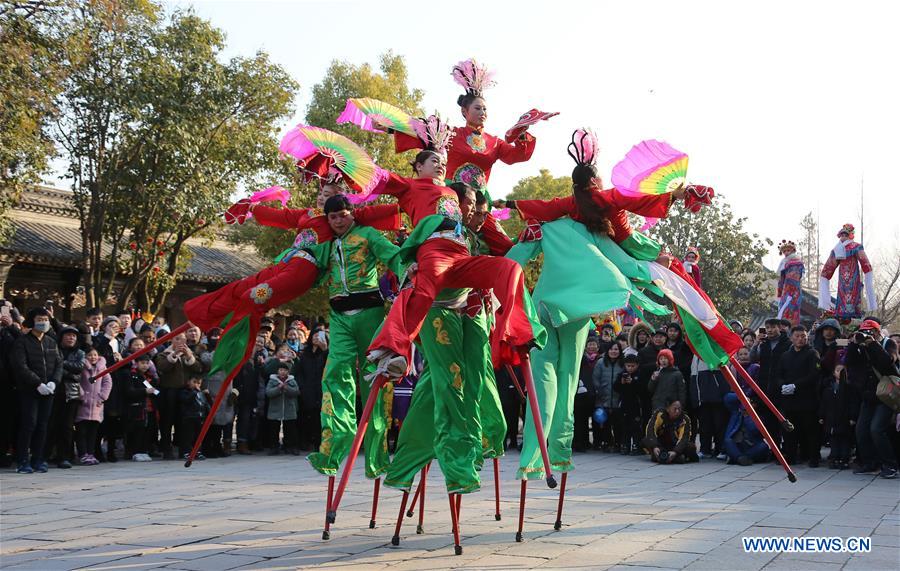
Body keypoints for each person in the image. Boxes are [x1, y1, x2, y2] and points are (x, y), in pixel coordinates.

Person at [306, 194, 400, 479]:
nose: (338, 221)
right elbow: (307, 269)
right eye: (332, 217)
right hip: (338, 317)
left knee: (374, 379)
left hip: (370, 314)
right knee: (335, 374)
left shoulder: (368, 235)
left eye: (342, 215)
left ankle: (377, 456)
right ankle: (332, 450)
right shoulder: (326, 245)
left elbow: (392, 256)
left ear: (352, 213)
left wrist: (410, 269)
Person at [11, 307, 62, 473]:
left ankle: (38, 458)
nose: (44, 323)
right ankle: (22, 460)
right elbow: (20, 366)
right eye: (40, 320)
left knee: (43, 425)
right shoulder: (22, 342)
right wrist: (37, 384)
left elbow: (59, 363)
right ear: (32, 321)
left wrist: (54, 382)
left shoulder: (51, 342)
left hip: (49, 390)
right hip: (29, 390)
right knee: (29, 424)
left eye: (46, 320)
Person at [845, 320, 898, 478]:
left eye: (871, 332)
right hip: (868, 395)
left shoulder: (888, 344)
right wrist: (854, 344)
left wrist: (873, 344)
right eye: (864, 331)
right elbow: (850, 363)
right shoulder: (860, 346)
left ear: (877, 332)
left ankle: (890, 465)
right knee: (861, 430)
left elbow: (888, 363)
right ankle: (870, 463)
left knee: (876, 429)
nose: (867, 335)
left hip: (886, 395)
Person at [774, 325, 822, 467]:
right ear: (791, 338)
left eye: (803, 336)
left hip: (807, 399)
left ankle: (813, 457)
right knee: (790, 431)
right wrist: (782, 385)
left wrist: (796, 385)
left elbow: (814, 374)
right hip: (789, 400)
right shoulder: (785, 355)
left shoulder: (813, 354)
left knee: (810, 430)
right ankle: (791, 456)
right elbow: (778, 374)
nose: (801, 339)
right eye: (797, 336)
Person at [154, 332, 202, 458]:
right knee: (167, 422)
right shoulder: (163, 354)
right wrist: (174, 355)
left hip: (185, 392)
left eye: (183, 339)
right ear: (171, 340)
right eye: (177, 339)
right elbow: (163, 367)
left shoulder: (189, 353)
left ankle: (183, 449)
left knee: (184, 422)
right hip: (168, 392)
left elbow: (198, 368)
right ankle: (166, 450)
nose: (181, 342)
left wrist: (189, 357)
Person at [819, 223, 877, 320]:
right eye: (841, 235)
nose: (843, 237)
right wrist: (824, 276)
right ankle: (842, 314)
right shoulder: (837, 249)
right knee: (842, 293)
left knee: (853, 293)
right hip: (842, 278)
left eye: (845, 235)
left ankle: (853, 314)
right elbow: (829, 267)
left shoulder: (856, 247)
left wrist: (868, 272)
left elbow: (864, 262)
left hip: (853, 276)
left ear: (850, 235)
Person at [53, 326, 85, 469]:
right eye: (68, 335)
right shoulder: (54, 349)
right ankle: (47, 454)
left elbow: (78, 368)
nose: (71, 338)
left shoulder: (80, 353)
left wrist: (60, 364)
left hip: (71, 393)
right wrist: (67, 371)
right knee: (51, 424)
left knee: (67, 426)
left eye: (73, 336)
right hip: (53, 390)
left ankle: (64, 456)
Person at [75, 347, 112, 466]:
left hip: (97, 405)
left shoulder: (103, 368)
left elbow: (108, 382)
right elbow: (76, 381)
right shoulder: (81, 367)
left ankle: (90, 453)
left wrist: (102, 397)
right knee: (81, 432)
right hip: (83, 404)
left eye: (95, 355)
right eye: (90, 355)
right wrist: (82, 396)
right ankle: (83, 454)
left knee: (93, 432)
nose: (93, 357)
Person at [757, 317, 790, 445]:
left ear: (779, 328)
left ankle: (786, 450)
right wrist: (756, 344)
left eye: (773, 327)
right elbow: (753, 357)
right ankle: (773, 449)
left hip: (781, 387)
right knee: (769, 421)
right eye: (768, 327)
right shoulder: (764, 344)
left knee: (782, 419)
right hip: (765, 386)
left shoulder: (787, 343)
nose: (770, 330)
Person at [818, 365, 859, 470]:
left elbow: (853, 404)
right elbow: (824, 404)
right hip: (831, 419)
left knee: (845, 441)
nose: (839, 373)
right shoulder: (828, 388)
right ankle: (835, 458)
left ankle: (844, 459)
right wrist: (821, 416)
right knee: (833, 441)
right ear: (833, 373)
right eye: (837, 370)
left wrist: (852, 417)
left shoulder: (850, 388)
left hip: (844, 419)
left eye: (842, 371)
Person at [293, 330, 327, 451]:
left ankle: (318, 443)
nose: (316, 338)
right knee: (304, 417)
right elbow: (298, 372)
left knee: (318, 418)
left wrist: (325, 350)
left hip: (320, 390)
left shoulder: (325, 354)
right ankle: (304, 442)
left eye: (320, 336)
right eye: (314, 335)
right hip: (306, 390)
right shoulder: (304, 354)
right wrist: (302, 387)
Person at [689, 356, 729, 459]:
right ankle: (705, 449)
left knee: (719, 424)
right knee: (704, 425)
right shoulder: (695, 354)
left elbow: (725, 362)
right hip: (701, 395)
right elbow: (694, 375)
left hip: (717, 394)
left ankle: (721, 449)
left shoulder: (715, 347)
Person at [122, 354, 157, 461]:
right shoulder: (131, 375)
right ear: (136, 363)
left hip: (148, 408)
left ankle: (143, 451)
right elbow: (129, 392)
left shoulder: (148, 376)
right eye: (142, 363)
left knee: (146, 430)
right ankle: (134, 452)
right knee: (135, 431)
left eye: (147, 363)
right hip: (135, 408)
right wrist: (144, 391)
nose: (145, 366)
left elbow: (154, 391)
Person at [642, 399, 697, 464]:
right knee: (645, 440)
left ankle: (660, 458)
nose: (677, 411)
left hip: (675, 445)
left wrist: (675, 452)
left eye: (679, 409)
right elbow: (650, 430)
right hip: (661, 445)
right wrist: (655, 446)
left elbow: (684, 438)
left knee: (691, 446)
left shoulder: (684, 419)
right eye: (675, 409)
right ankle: (673, 458)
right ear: (668, 409)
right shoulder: (659, 414)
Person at [591, 342, 623, 452]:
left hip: (618, 399)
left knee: (618, 423)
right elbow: (595, 379)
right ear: (607, 350)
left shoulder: (623, 363)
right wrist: (599, 391)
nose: (614, 351)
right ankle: (605, 442)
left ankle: (618, 443)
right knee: (604, 423)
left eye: (616, 349)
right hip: (602, 398)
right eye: (611, 349)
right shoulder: (600, 362)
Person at [722, 393, 769, 466]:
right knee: (728, 441)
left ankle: (738, 458)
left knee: (763, 446)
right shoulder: (736, 412)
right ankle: (740, 458)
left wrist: (747, 416)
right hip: (737, 443)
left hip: (750, 445)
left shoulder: (758, 416)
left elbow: (754, 430)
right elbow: (727, 398)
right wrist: (741, 396)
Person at [265, 363, 300, 455]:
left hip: (289, 410)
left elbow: (296, 391)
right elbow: (268, 392)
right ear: (277, 371)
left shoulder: (292, 380)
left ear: (288, 372)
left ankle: (290, 446)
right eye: (280, 370)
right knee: (274, 429)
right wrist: (278, 388)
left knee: (290, 429)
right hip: (275, 410)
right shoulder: (272, 380)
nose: (282, 372)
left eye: (284, 370)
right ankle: (273, 447)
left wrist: (287, 388)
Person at [574, 337, 601, 452]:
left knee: (596, 420)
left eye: (594, 344)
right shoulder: (581, 359)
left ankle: (597, 442)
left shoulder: (601, 359)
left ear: (598, 347)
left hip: (596, 395)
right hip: (581, 394)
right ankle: (581, 442)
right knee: (581, 420)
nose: (591, 347)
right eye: (589, 344)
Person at [613, 354, 644, 454]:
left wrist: (633, 383)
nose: (630, 368)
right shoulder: (621, 375)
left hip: (636, 405)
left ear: (637, 365)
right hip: (624, 405)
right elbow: (615, 388)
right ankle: (625, 445)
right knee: (624, 426)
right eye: (628, 366)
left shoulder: (639, 375)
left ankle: (636, 445)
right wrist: (621, 383)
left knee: (635, 427)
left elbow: (642, 390)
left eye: (632, 366)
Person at [178, 373, 209, 461]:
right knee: (188, 436)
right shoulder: (185, 392)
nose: (196, 385)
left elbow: (204, 404)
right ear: (188, 382)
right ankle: (186, 452)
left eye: (199, 383)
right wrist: (195, 392)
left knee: (198, 436)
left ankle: (198, 452)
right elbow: (186, 400)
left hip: (199, 417)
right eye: (194, 382)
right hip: (188, 418)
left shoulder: (200, 393)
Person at [775, 240, 805, 326]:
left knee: (791, 307)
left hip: (794, 289)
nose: (786, 253)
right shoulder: (784, 262)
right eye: (784, 251)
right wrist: (780, 292)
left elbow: (796, 276)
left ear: (793, 250)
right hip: (786, 288)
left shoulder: (796, 262)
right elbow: (781, 279)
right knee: (784, 308)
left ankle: (790, 325)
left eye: (788, 250)